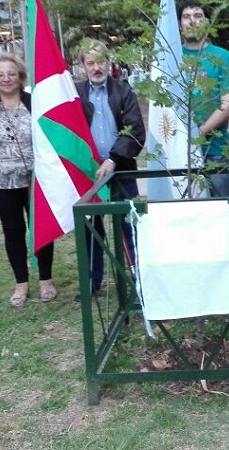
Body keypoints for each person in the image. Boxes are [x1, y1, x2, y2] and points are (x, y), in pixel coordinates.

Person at [0, 53, 56, 306]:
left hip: (36, 182)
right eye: (0, 75)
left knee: (42, 229)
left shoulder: (35, 103)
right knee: (13, 232)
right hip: (2, 184)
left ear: (20, 77)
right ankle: (21, 284)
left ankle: (46, 280)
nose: (6, 79)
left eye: (11, 74)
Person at [75, 39, 145, 300]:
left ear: (109, 62)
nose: (96, 67)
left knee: (128, 223)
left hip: (121, 169)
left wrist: (114, 158)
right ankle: (92, 281)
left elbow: (135, 130)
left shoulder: (123, 91)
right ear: (82, 65)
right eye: (90, 62)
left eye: (100, 61)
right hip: (88, 172)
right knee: (90, 226)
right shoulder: (75, 94)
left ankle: (137, 276)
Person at [179, 0, 229, 197]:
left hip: (214, 151)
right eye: (186, 17)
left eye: (198, 16)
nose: (192, 22)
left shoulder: (223, 57)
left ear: (207, 22)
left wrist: (201, 132)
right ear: (179, 23)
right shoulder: (170, 57)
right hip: (177, 152)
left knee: (219, 211)